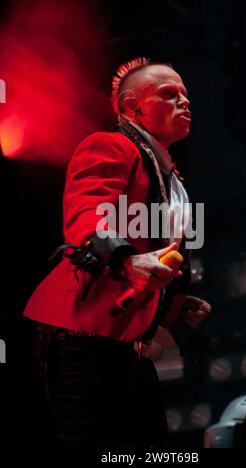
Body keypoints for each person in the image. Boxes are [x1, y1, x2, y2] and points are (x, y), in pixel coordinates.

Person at [24, 57, 211, 454]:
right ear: (132, 107)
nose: (184, 101)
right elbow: (87, 216)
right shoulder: (109, 145)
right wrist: (127, 260)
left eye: (185, 95)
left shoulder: (170, 177)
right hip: (81, 333)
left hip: (124, 344)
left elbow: (157, 255)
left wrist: (174, 303)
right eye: (168, 94)